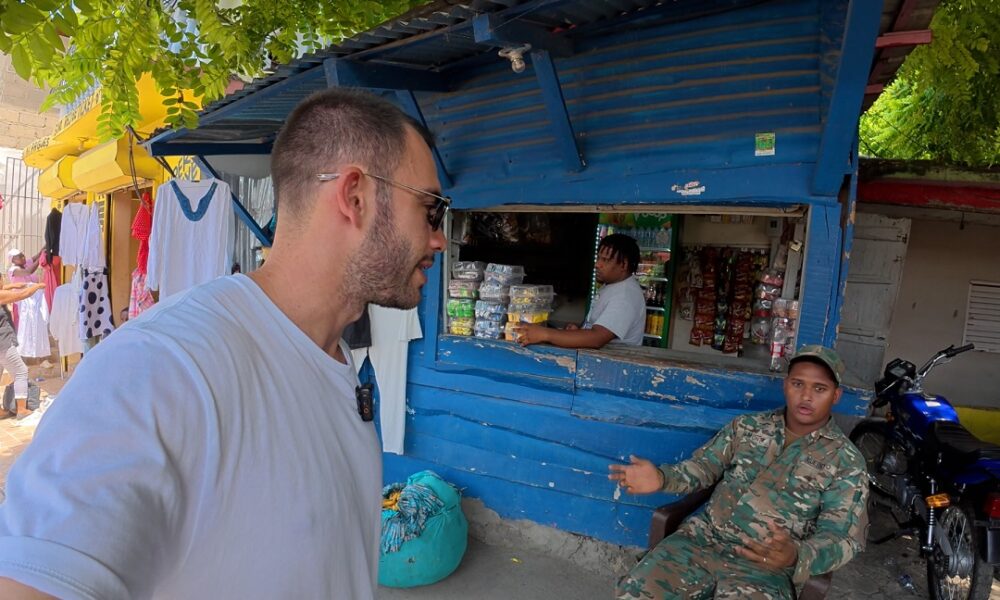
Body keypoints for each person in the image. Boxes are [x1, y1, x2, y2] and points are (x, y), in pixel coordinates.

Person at [0, 88, 448, 599]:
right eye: (430, 209)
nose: (439, 238)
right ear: (355, 198)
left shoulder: (337, 361)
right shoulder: (162, 367)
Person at [609, 346, 868, 600]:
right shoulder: (748, 427)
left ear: (836, 395)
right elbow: (703, 467)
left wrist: (797, 555)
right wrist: (663, 478)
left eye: (819, 388)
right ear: (785, 385)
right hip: (700, 542)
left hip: (765, 568)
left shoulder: (846, 461)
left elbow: (842, 538)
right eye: (798, 384)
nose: (806, 396)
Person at [516, 233, 646, 348]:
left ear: (624, 265)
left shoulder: (626, 296)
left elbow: (597, 339)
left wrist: (545, 334)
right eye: (598, 258)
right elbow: (596, 331)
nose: (597, 264)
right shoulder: (614, 285)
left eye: (605, 260)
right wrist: (579, 332)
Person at [0, 280, 46, 419]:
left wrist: (13, 285)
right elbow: (21, 295)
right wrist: (36, 286)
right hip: (3, 342)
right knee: (21, 371)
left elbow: (5, 289)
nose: (3, 282)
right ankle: (22, 409)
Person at [7, 248, 50, 360]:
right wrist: (41, 259)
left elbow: (38, 254)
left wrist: (48, 245)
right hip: (21, 304)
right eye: (20, 257)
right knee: (21, 329)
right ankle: (19, 357)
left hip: (34, 303)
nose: (23, 257)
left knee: (34, 328)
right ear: (13, 260)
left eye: (23, 255)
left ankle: (35, 355)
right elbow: (28, 272)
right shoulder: (14, 270)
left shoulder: (26, 264)